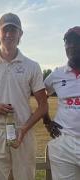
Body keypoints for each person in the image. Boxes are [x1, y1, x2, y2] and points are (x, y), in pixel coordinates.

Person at [0, 13, 47, 180]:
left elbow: (43, 105)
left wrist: (24, 128)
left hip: (23, 130)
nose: (8, 34)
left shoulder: (32, 66)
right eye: (4, 30)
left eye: (13, 30)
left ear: (20, 34)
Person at [43, 26, 80, 180]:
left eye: (75, 41)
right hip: (64, 142)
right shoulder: (57, 74)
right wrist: (47, 122)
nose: (70, 45)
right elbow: (41, 95)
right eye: (67, 42)